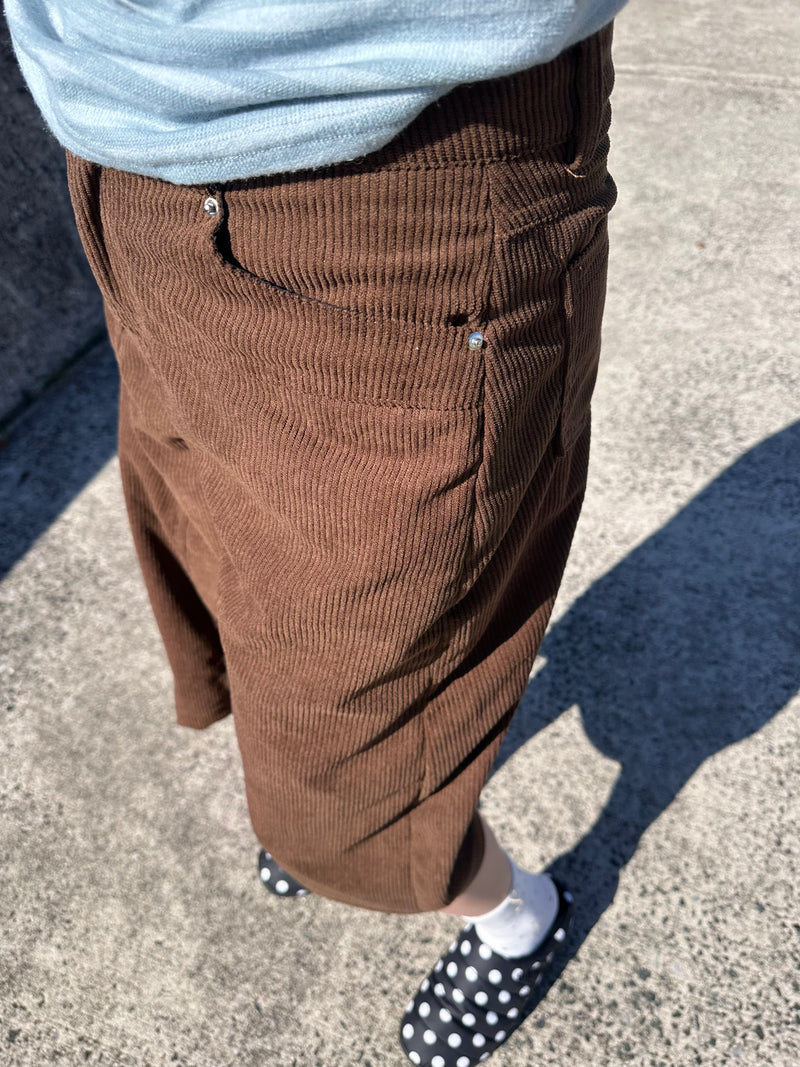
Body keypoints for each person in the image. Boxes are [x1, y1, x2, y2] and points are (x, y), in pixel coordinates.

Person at [6, 2, 627, 1063]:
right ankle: (330, 805)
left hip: (394, 163)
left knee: (352, 703)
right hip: (122, 150)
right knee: (231, 569)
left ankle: (512, 912)